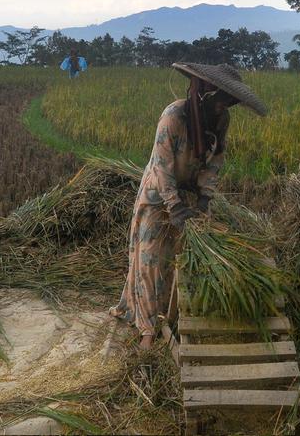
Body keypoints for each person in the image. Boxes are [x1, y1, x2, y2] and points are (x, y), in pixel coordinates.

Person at [110, 62, 267, 349]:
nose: (223, 107)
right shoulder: (174, 115)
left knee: (182, 256)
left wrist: (204, 197)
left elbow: (216, 159)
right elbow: (162, 165)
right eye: (220, 101)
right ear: (204, 93)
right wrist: (175, 206)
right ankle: (146, 327)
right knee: (151, 257)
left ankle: (174, 312)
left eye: (228, 102)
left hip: (192, 193)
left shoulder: (220, 120)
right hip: (160, 193)